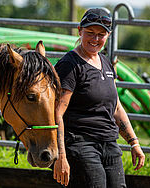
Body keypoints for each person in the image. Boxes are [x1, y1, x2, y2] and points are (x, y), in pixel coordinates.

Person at [53, 8, 145, 188]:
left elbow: (116, 107)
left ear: (108, 35)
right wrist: (61, 156)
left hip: (109, 143)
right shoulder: (70, 65)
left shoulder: (105, 62)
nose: (95, 39)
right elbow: (57, 113)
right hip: (81, 143)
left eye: (101, 35)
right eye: (90, 33)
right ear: (79, 30)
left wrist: (134, 142)